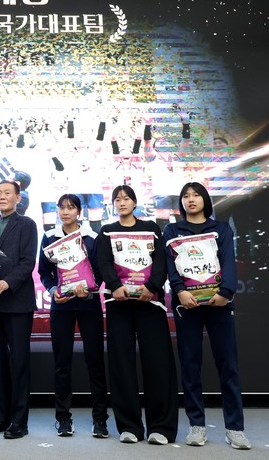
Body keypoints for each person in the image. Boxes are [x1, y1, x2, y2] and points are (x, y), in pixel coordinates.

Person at [163, 182, 252, 450]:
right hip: (187, 305)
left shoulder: (221, 229)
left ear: (205, 200)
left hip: (219, 304)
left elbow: (228, 262)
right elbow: (170, 266)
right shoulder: (172, 231)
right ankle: (197, 426)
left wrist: (226, 292)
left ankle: (235, 429)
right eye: (186, 196)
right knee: (190, 365)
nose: (191, 199)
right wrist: (180, 291)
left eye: (196, 195)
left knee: (228, 365)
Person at [96, 185, 178, 445]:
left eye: (126, 198)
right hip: (119, 303)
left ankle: (161, 427)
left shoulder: (151, 228)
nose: (121, 203)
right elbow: (103, 262)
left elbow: (161, 261)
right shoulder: (106, 231)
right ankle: (129, 426)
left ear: (134, 202)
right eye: (117, 199)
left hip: (149, 303)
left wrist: (152, 287)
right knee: (121, 364)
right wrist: (115, 286)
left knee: (157, 364)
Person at [37, 194, 109, 439]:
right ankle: (63, 418)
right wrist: (53, 290)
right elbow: (44, 272)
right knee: (62, 362)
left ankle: (100, 419)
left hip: (89, 305)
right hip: (62, 306)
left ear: (79, 211)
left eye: (71, 207)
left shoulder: (91, 237)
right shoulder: (49, 237)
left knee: (95, 361)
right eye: (61, 207)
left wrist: (89, 288)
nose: (65, 212)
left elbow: (99, 272)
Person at [0, 180, 38, 439]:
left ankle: (19, 421)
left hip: (17, 302)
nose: (1, 197)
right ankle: (1, 417)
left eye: (7, 193)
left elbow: (28, 262)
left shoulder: (27, 224)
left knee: (19, 362)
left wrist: (8, 282)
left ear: (18, 198)